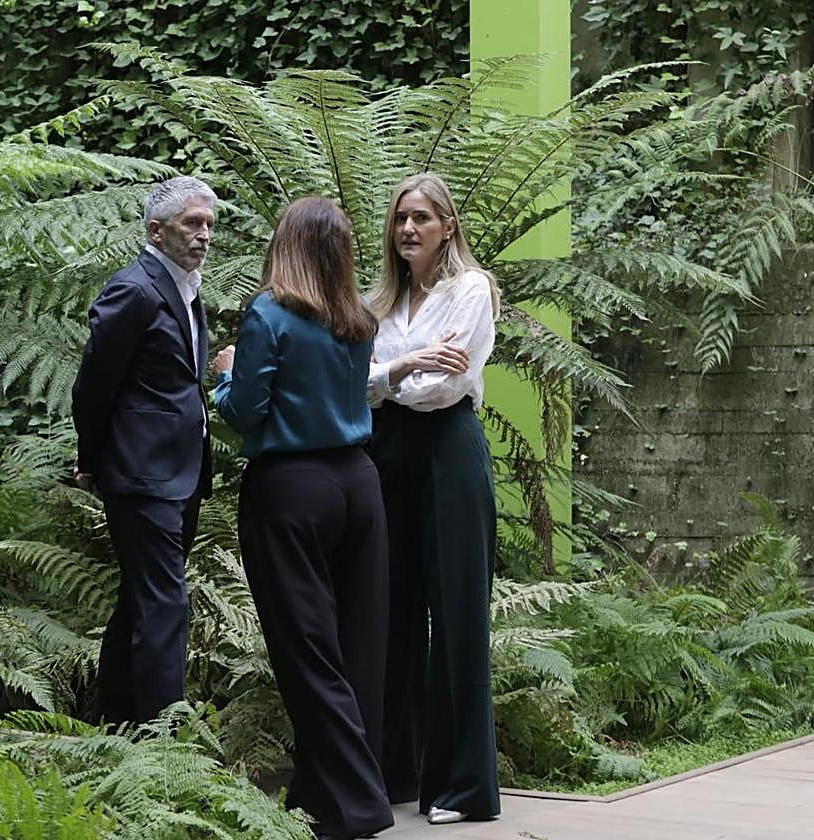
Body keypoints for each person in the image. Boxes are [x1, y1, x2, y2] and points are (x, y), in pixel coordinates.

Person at [214, 197, 393, 840]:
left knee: (307, 647)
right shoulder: (360, 317)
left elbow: (245, 411)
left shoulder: (269, 313)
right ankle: (323, 794)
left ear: (284, 244)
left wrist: (225, 375)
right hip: (359, 485)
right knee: (358, 645)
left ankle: (357, 804)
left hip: (292, 489)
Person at [366, 173, 501, 824]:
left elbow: (443, 390)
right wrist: (409, 365)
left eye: (421, 217)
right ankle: (393, 771)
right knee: (389, 612)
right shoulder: (379, 304)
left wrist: (390, 377)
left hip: (449, 450)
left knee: (456, 615)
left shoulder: (469, 290)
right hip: (386, 456)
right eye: (400, 219)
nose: (408, 229)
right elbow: (356, 385)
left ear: (448, 226)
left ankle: (463, 786)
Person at [71, 176, 215, 725]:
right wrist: (93, 456)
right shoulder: (133, 289)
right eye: (192, 223)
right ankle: (163, 738)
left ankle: (117, 722)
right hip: (142, 470)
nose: (204, 235)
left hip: (183, 469)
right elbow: (94, 385)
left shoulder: (187, 287)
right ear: (156, 231)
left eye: (208, 225)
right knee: (165, 600)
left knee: (142, 596)